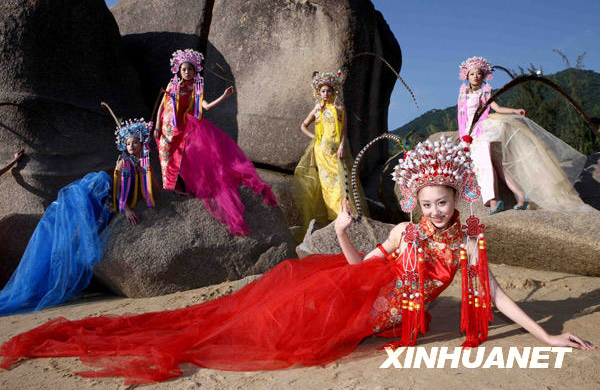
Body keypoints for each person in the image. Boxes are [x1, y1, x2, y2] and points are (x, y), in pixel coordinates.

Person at [0, 136, 593, 384]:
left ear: (458, 200)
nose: (436, 211)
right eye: (428, 203)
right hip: (359, 294)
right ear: (417, 202)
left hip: (382, 315)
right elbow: (361, 270)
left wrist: (548, 334)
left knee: (285, 329)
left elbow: (493, 293)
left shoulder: (467, 241)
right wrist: (340, 232)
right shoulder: (407, 234)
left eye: (445, 203)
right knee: (262, 323)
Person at [0, 117, 156, 315]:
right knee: (75, 240)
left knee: (77, 243)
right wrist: (126, 209)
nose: (131, 145)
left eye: (134, 142)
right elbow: (118, 191)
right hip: (102, 201)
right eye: (128, 142)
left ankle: (61, 283)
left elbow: (152, 183)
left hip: (108, 202)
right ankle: (53, 285)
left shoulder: (143, 162)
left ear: (142, 142)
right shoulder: (122, 162)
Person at [154, 48, 277, 235]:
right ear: (179, 70)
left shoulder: (195, 89)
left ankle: (184, 188)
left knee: (187, 157)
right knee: (166, 157)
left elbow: (207, 106)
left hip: (186, 127)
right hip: (167, 128)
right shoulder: (172, 86)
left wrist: (224, 96)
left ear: (195, 72)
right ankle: (171, 189)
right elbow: (162, 105)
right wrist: (156, 125)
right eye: (184, 69)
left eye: (190, 69)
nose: (187, 72)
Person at [457, 56, 593, 213]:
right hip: (471, 131)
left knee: (483, 164)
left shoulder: (484, 92)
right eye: (472, 74)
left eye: (479, 74)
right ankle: (521, 195)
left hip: (484, 129)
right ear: (466, 76)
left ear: (483, 76)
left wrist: (514, 111)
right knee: (498, 165)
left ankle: (494, 200)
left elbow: (497, 108)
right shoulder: (463, 93)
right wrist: (464, 136)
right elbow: (462, 117)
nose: (476, 76)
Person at [293, 71, 368, 235]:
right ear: (318, 93)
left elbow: (344, 131)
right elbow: (303, 125)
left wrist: (342, 146)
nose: (326, 94)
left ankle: (345, 213)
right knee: (327, 185)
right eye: (323, 91)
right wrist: (315, 138)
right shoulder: (317, 109)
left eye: (329, 90)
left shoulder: (340, 109)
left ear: (334, 92)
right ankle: (332, 217)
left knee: (341, 181)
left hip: (336, 151)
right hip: (322, 151)